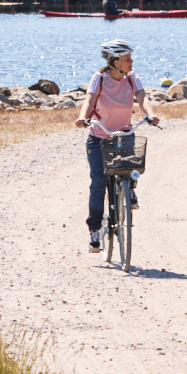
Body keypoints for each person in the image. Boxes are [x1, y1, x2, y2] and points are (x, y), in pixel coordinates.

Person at [72, 39, 159, 252]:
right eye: (127, 59)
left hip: (123, 133)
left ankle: (128, 188)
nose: (132, 62)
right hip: (99, 137)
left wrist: (151, 113)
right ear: (114, 62)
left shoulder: (132, 79)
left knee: (131, 167)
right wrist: (82, 117)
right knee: (99, 181)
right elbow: (90, 100)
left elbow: (142, 97)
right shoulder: (99, 78)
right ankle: (94, 230)